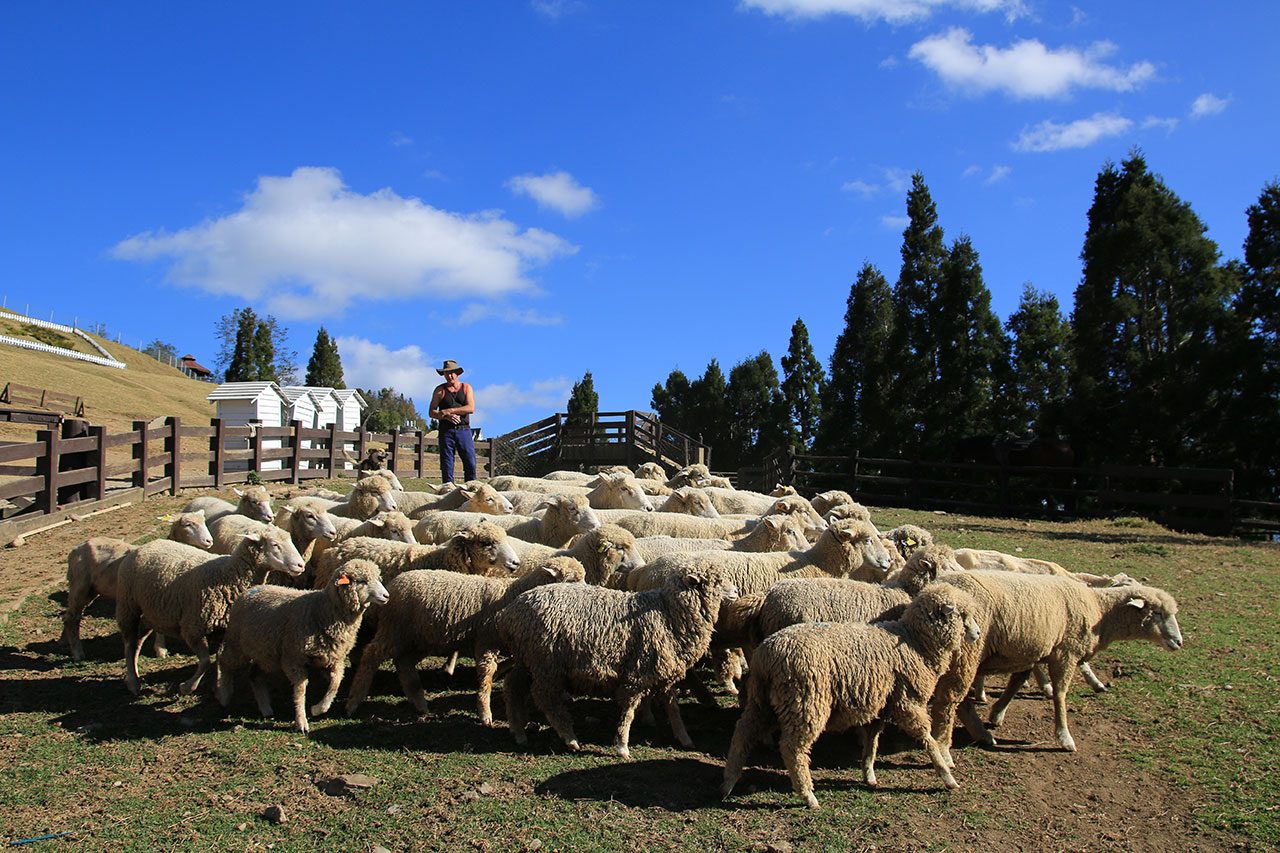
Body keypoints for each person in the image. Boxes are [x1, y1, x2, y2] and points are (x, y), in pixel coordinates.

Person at [429, 359, 477, 484]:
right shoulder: (440, 390)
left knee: (470, 462)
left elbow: (470, 408)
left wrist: (450, 411)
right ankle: (447, 489)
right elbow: (431, 412)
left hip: (463, 430)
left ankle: (471, 487)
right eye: (446, 373)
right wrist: (444, 416)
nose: (449, 376)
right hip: (446, 431)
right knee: (447, 464)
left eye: (452, 373)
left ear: (457, 373)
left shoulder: (466, 388)